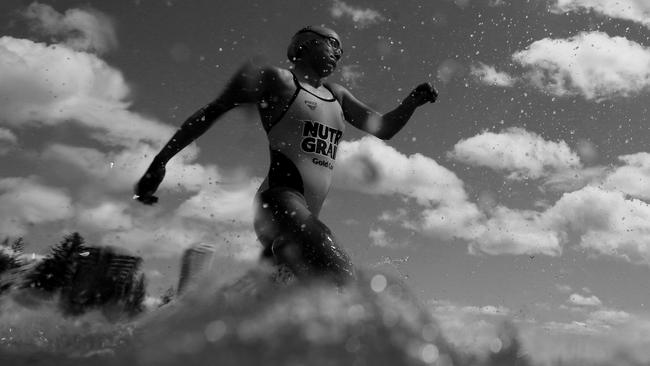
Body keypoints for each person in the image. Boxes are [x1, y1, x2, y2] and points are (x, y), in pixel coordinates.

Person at [134, 26, 438, 284]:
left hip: (302, 220)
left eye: (341, 51)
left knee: (281, 304)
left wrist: (411, 102)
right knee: (339, 274)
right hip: (279, 201)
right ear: (304, 44)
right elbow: (212, 111)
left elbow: (383, 128)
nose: (338, 53)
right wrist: (159, 162)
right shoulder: (278, 80)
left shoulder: (338, 96)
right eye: (332, 44)